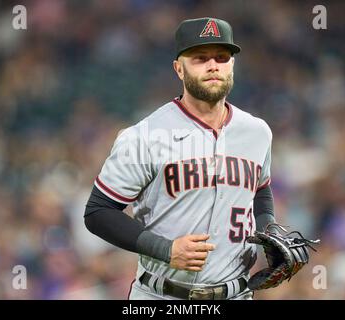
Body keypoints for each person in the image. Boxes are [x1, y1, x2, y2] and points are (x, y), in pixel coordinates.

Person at [84, 17, 276, 300]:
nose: (213, 66)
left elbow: (260, 189)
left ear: (232, 64)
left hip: (237, 294)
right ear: (179, 69)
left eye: (222, 58)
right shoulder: (145, 135)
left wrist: (269, 231)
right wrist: (166, 249)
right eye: (200, 58)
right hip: (162, 295)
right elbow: (98, 212)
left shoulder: (257, 132)